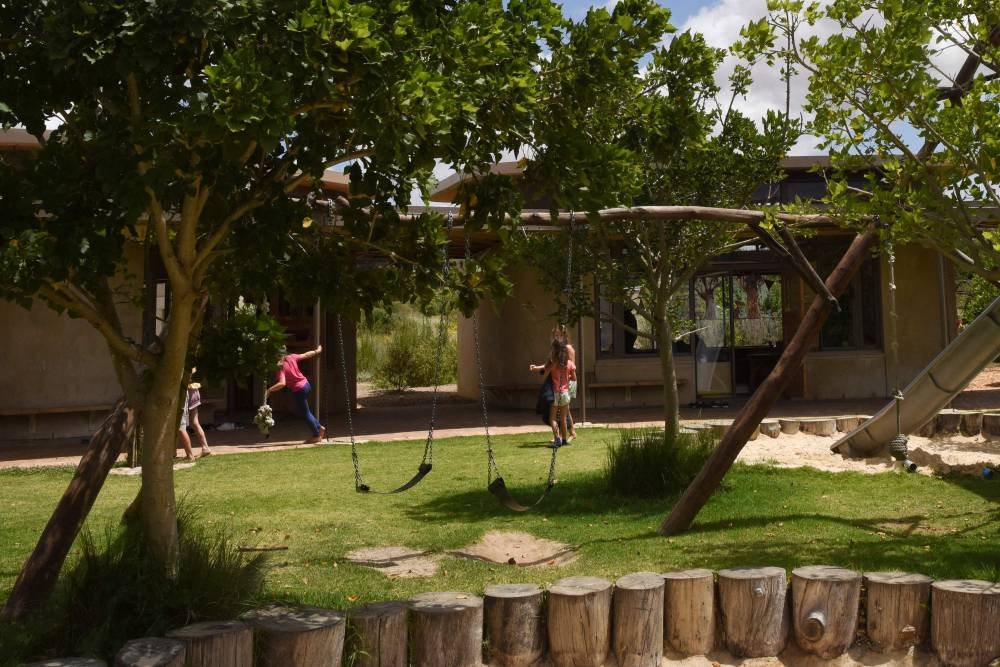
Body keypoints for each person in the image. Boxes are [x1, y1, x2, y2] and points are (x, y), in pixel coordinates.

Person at [266, 345, 326, 444]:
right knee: (306, 411)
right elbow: (306, 355)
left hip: (299, 389)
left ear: (276, 356)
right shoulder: (291, 357)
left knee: (305, 413)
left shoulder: (281, 367)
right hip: (306, 384)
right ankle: (320, 427)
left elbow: (282, 383)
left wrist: (270, 390)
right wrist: (317, 351)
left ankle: (316, 436)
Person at [530, 339, 576, 447]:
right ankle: (564, 439)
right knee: (564, 418)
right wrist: (566, 379)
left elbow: (545, 371)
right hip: (565, 393)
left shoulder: (553, 363)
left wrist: (536, 368)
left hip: (556, 393)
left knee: (553, 418)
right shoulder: (569, 363)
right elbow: (574, 378)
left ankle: (557, 439)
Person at [187, 368, 212, 457]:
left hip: (188, 391)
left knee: (179, 425)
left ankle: (186, 453)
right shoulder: (193, 364)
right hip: (194, 390)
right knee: (195, 423)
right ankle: (205, 447)